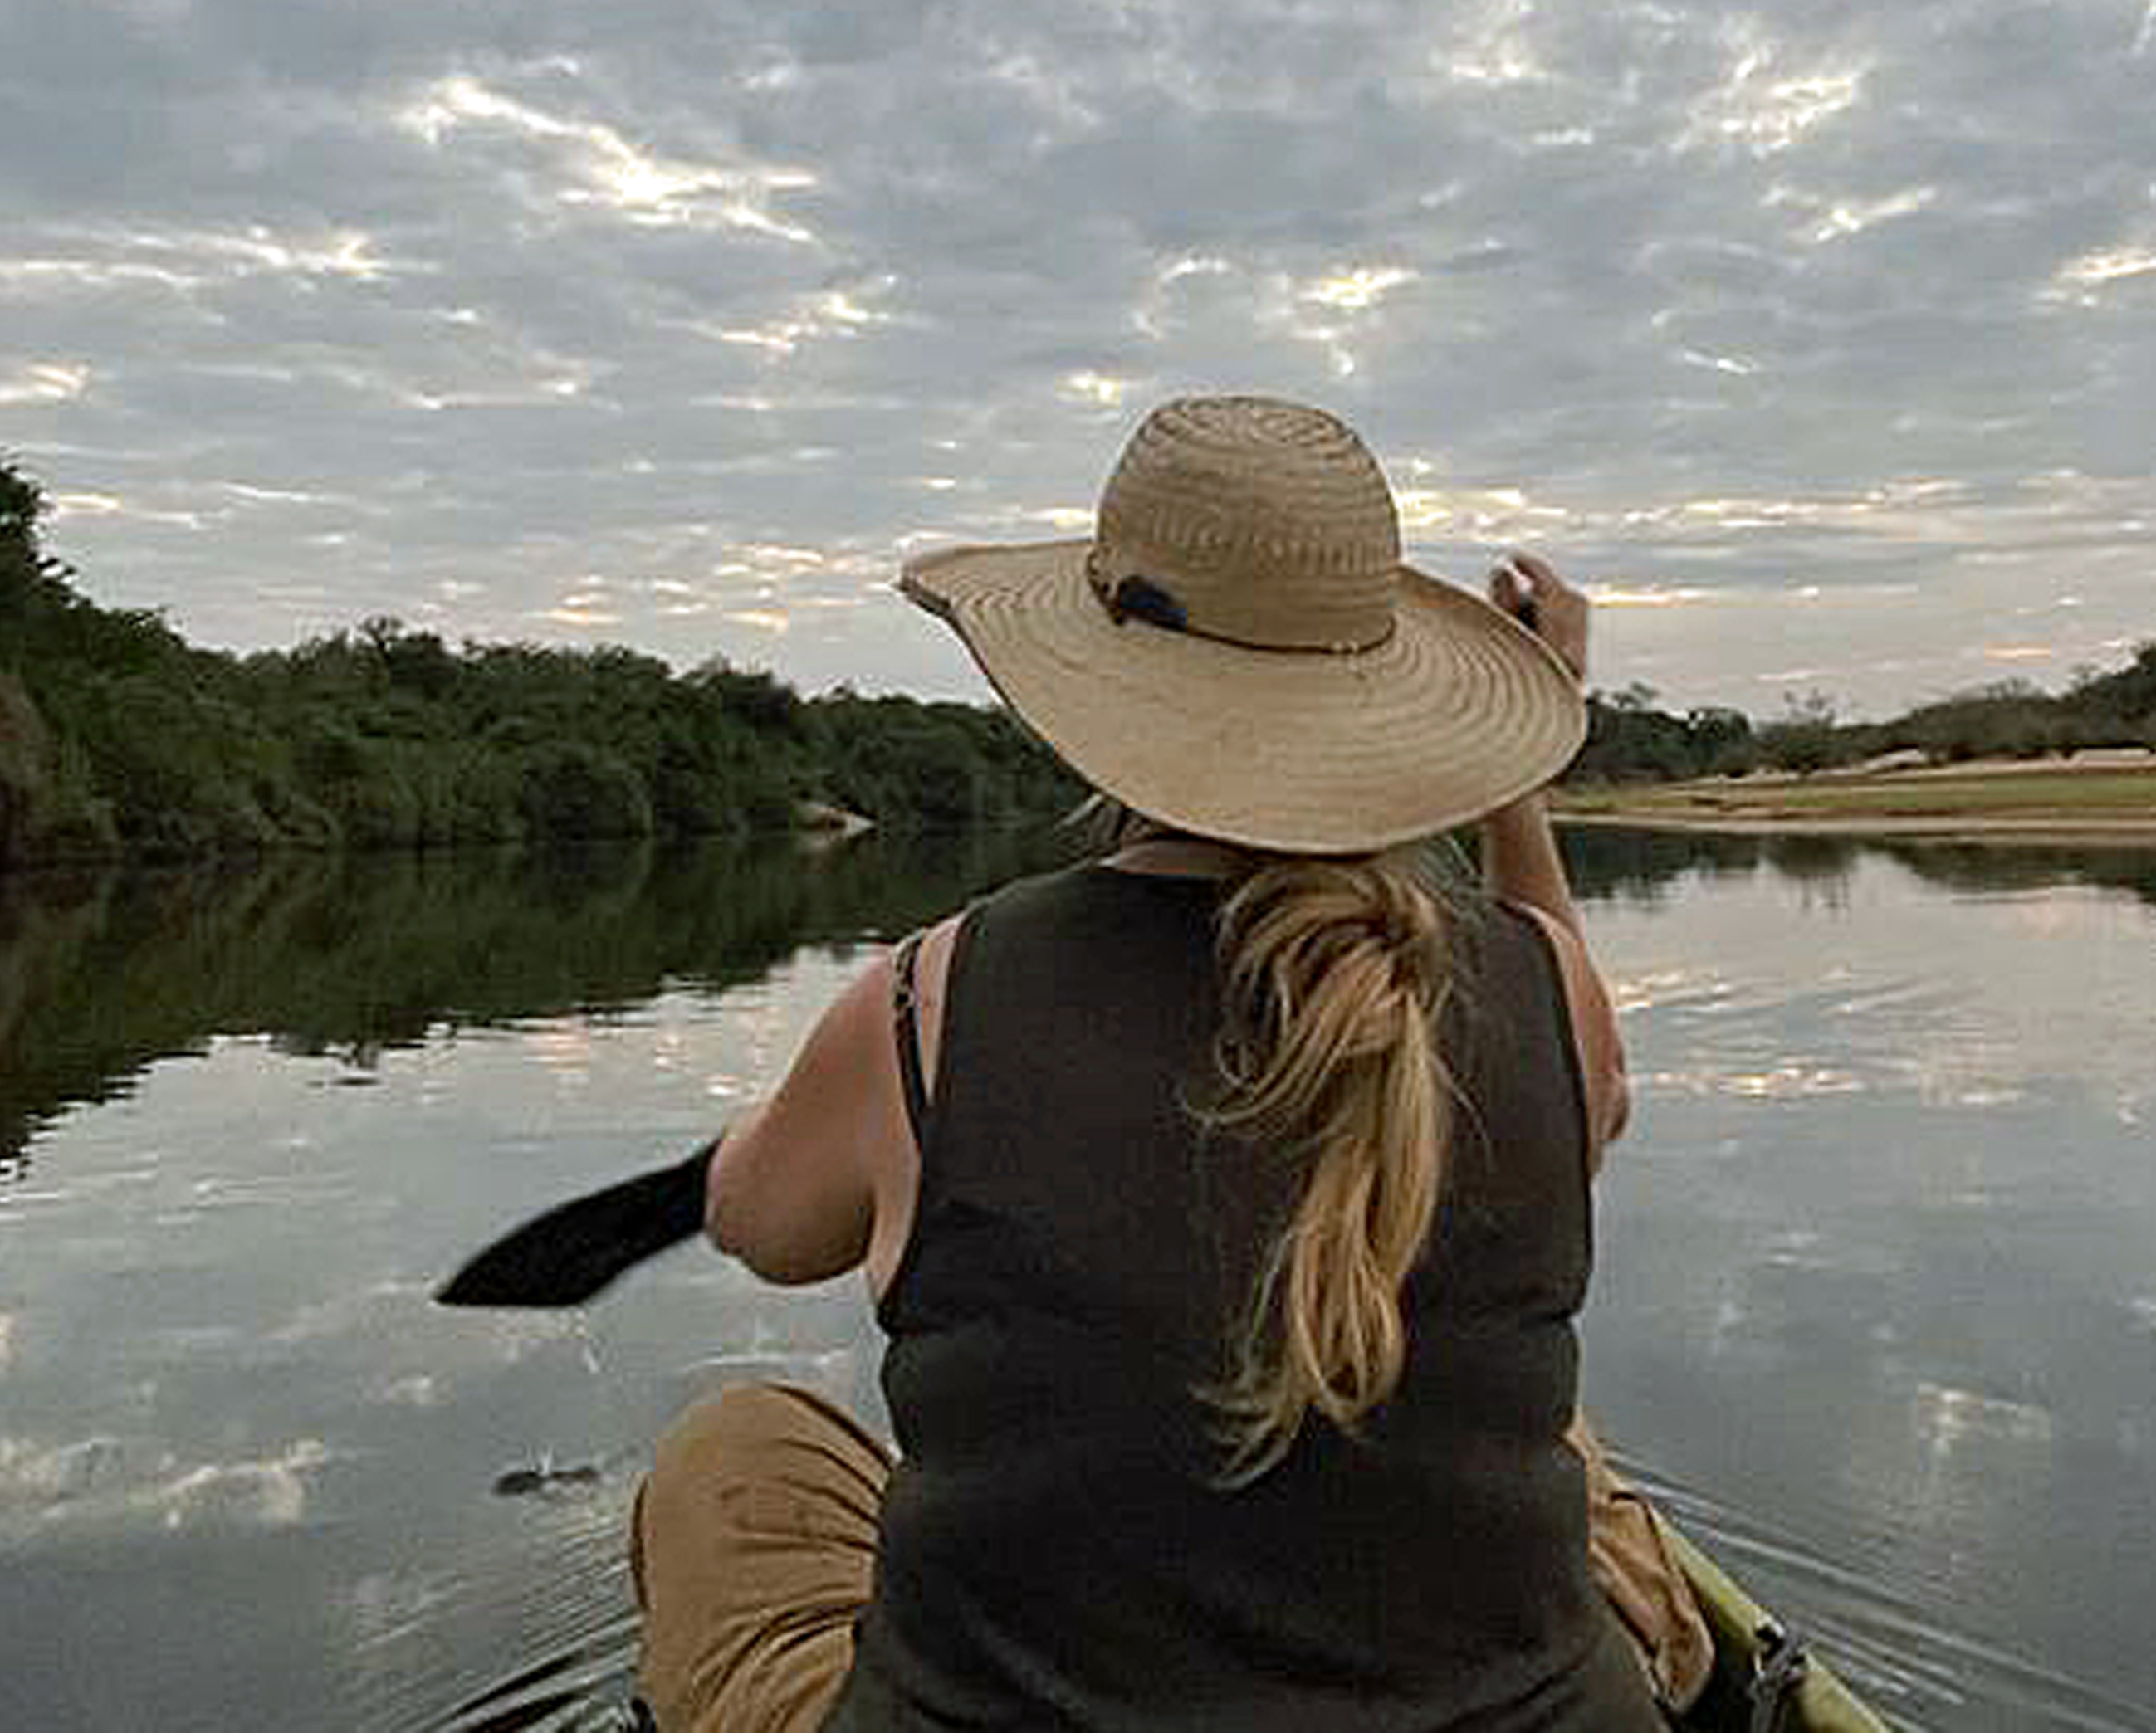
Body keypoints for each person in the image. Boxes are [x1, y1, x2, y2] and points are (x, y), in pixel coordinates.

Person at [630, 395, 1710, 1731]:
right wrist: (1513, 796)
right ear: (1382, 695)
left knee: (736, 1450)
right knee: (1577, 1456)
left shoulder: (926, 1000)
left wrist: (771, 1141)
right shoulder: (1550, 991)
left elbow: (762, 1228)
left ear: (1097, 689)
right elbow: (1581, 1083)